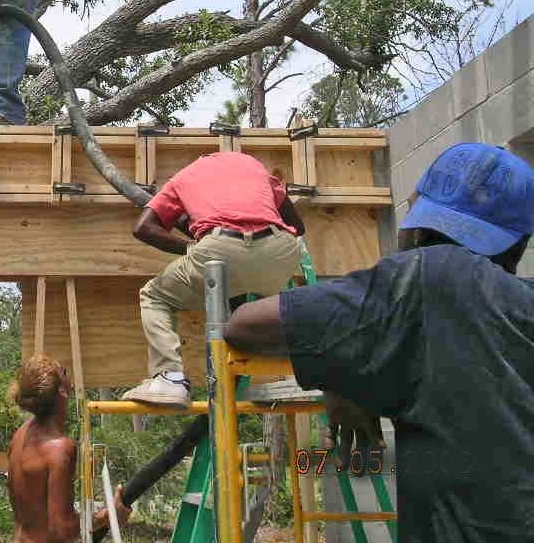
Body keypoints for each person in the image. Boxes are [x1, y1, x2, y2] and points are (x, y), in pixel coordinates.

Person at [224, 143, 534, 542]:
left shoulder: (428, 277)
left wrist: (340, 366)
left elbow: (244, 325)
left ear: (419, 227)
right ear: (519, 243)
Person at [122, 151, 305, 409]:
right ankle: (281, 375)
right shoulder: (252, 166)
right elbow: (298, 227)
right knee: (269, 305)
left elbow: (143, 228)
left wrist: (189, 247)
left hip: (220, 250)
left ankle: (170, 378)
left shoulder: (184, 177)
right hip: (280, 251)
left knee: (154, 295)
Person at [8, 355, 132, 543]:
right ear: (62, 390)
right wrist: (109, 515)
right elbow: (62, 529)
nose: (69, 375)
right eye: (64, 372)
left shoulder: (20, 435)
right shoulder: (59, 448)